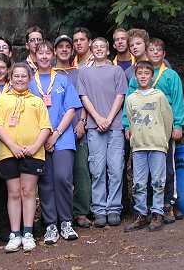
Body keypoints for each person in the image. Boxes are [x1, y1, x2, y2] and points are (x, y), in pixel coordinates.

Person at [0, 63, 52, 253]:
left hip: (33, 153)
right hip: (9, 152)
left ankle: (28, 232)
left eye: (23, 76)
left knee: (28, 191)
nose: (20, 79)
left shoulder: (37, 101)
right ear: (10, 77)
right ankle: (15, 234)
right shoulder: (2, 100)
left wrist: (34, 147)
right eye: (16, 76)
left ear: (29, 78)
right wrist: (13, 146)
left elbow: (45, 127)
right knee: (14, 192)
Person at [125, 38, 184, 223]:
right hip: (142, 136)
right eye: (151, 50)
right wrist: (128, 126)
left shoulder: (170, 76)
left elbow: (176, 102)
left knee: (166, 170)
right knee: (142, 176)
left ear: (164, 54)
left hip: (162, 132)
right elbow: (128, 107)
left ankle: (168, 205)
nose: (155, 53)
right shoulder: (137, 81)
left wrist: (177, 125)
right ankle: (145, 210)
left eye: (159, 50)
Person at [29, 41, 82, 244]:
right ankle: (50, 224)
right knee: (45, 182)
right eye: (39, 53)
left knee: (63, 178)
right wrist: (42, 137)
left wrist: (57, 133)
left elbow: (71, 109)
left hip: (63, 137)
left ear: (52, 55)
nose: (43, 56)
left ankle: (66, 221)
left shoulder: (62, 79)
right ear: (34, 56)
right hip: (37, 139)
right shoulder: (29, 81)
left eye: (47, 53)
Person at [77, 37, 128, 227]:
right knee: (97, 170)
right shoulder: (84, 72)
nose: (99, 50)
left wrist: (109, 118)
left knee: (115, 168)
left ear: (108, 51)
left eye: (102, 47)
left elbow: (120, 95)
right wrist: (98, 118)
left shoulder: (117, 71)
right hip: (94, 126)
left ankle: (114, 208)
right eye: (95, 47)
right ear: (91, 50)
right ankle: (99, 209)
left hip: (114, 127)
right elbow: (84, 97)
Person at [123, 61, 173, 232]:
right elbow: (130, 120)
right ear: (135, 76)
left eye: (146, 73)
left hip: (157, 144)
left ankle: (157, 213)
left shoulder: (159, 96)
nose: (143, 76)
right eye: (140, 73)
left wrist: (163, 140)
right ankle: (141, 214)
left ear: (152, 76)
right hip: (139, 147)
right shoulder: (131, 99)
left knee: (158, 181)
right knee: (139, 183)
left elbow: (167, 120)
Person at [53, 35, 91, 228]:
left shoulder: (79, 73)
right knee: (60, 176)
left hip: (77, 128)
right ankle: (58, 215)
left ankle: (81, 212)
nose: (65, 49)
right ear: (55, 50)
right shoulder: (49, 73)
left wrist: (82, 121)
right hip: (55, 132)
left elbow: (83, 98)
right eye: (61, 47)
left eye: (68, 46)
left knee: (81, 170)